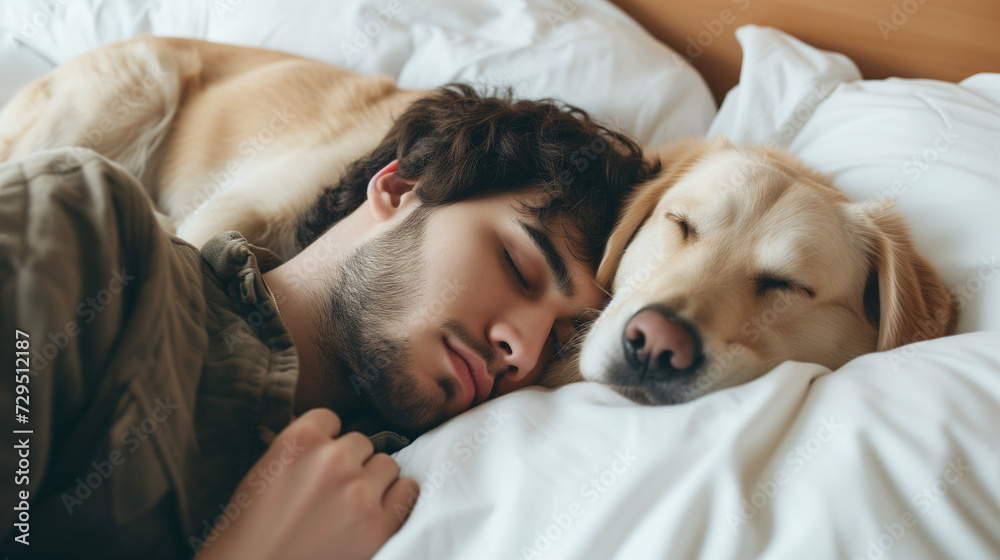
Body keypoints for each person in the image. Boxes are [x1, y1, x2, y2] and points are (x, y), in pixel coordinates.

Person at [0, 85, 653, 559]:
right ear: (400, 189)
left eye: (564, 340)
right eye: (516, 264)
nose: (523, 347)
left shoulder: (411, 498)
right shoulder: (92, 236)